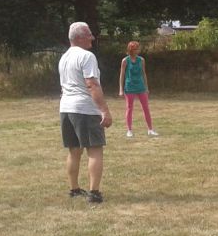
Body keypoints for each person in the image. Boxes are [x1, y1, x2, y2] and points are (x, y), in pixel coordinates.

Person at [58, 22, 112, 204]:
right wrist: (104, 110)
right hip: (85, 109)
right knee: (95, 149)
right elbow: (92, 84)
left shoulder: (64, 57)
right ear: (80, 37)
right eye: (89, 34)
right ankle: (94, 193)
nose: (93, 37)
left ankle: (74, 189)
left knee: (74, 150)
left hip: (66, 108)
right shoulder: (87, 56)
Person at [118, 41, 158, 138]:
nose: (137, 50)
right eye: (135, 49)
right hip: (129, 87)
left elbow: (144, 73)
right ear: (130, 50)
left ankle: (150, 129)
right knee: (129, 108)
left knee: (146, 108)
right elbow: (122, 75)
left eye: (137, 48)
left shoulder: (141, 60)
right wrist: (121, 89)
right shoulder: (125, 60)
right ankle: (129, 130)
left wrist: (146, 87)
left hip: (140, 86)